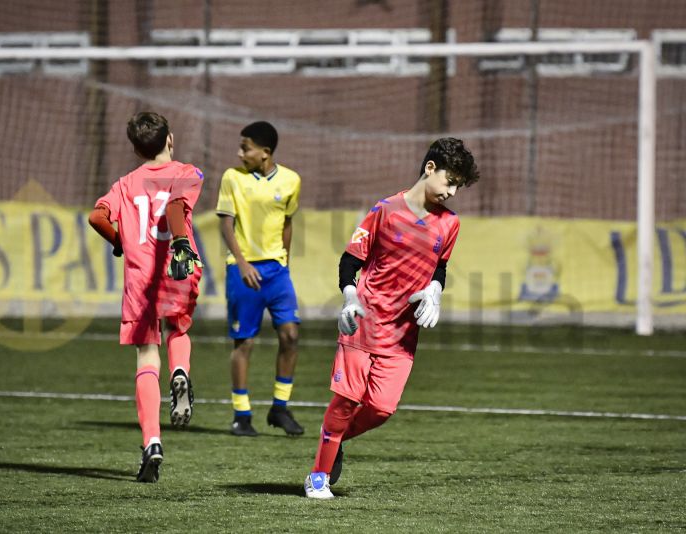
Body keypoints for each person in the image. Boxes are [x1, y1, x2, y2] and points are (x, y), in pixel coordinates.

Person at [303, 137, 480, 499]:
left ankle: (333, 438)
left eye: (458, 187)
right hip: (364, 320)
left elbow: (440, 267)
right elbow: (350, 259)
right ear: (430, 168)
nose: (452, 193)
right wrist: (349, 296)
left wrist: (435, 291)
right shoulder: (385, 210)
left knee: (382, 409)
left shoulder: (450, 224)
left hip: (403, 333)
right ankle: (318, 476)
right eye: (450, 182)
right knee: (346, 401)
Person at [88, 111, 204, 483]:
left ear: (137, 150)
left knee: (145, 357)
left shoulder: (124, 184)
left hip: (140, 279)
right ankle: (181, 371)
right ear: (170, 139)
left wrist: (119, 242)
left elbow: (96, 217)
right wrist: (181, 243)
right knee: (178, 329)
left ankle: (152, 442)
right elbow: (176, 207)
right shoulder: (187, 173)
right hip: (176, 267)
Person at [215, 121, 304, 437]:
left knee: (290, 336)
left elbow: (287, 223)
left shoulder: (291, 180)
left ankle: (280, 408)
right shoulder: (232, 178)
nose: (240, 153)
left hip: (276, 271)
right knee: (245, 342)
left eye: (246, 148)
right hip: (243, 271)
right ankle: (241, 415)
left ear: (265, 152)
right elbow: (226, 224)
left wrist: (285, 265)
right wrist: (242, 264)